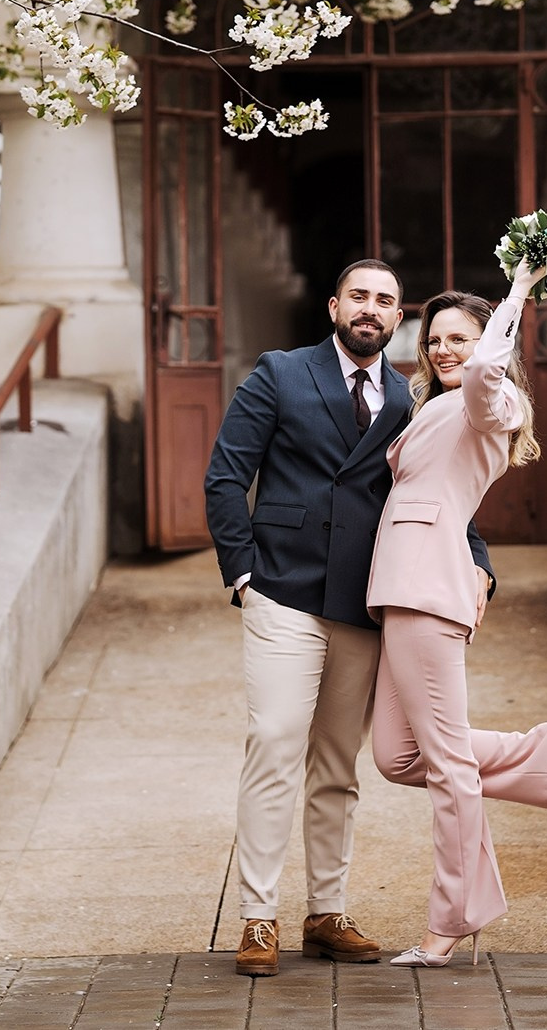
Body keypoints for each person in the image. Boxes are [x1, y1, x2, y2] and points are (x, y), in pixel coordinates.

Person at [204, 258, 496, 978]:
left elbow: (443, 490)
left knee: (338, 764)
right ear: (335, 304)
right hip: (282, 589)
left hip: (365, 599)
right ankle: (258, 916)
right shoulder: (280, 371)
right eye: (359, 295)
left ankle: (325, 911)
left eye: (386, 301)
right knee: (274, 743)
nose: (371, 308)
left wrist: (481, 560)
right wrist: (243, 573)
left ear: (399, 321)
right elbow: (225, 473)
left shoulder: (413, 397)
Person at [366, 258, 547, 968]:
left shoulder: (489, 403)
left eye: (459, 338)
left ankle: (452, 919)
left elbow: (483, 376)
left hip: (426, 594)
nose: (443, 348)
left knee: (446, 767)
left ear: (487, 347)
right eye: (434, 337)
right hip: (400, 592)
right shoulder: (436, 407)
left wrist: (520, 292)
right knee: (397, 755)